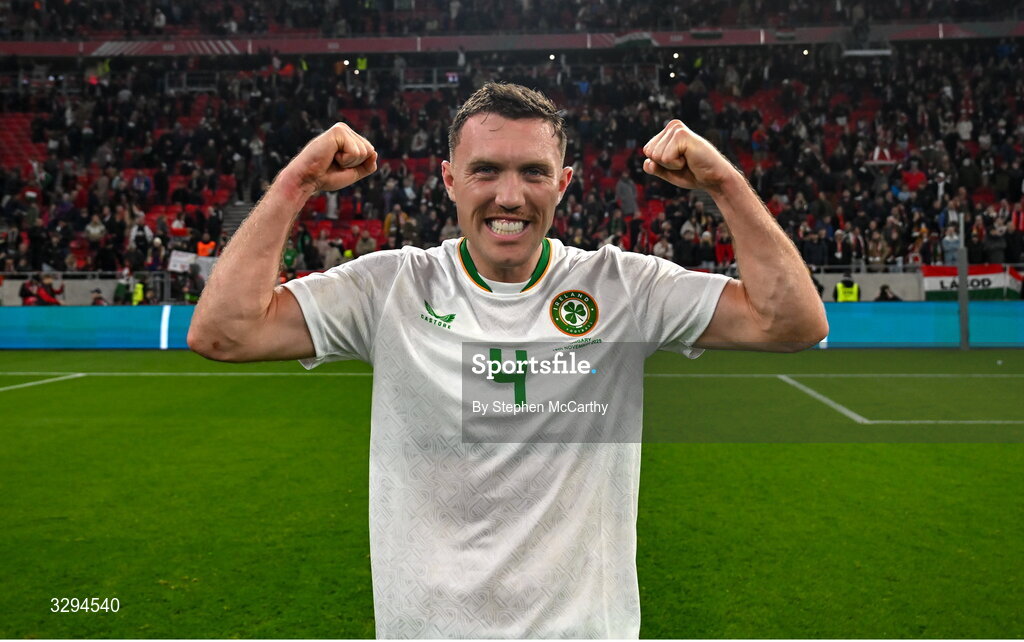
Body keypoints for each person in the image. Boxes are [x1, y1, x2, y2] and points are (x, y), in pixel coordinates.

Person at [188, 83, 827, 638]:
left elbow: (793, 322)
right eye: (486, 170)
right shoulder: (391, 288)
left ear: (564, 183)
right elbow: (225, 333)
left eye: (533, 172)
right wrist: (296, 183)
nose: (510, 196)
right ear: (449, 179)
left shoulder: (623, 288)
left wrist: (722, 181)